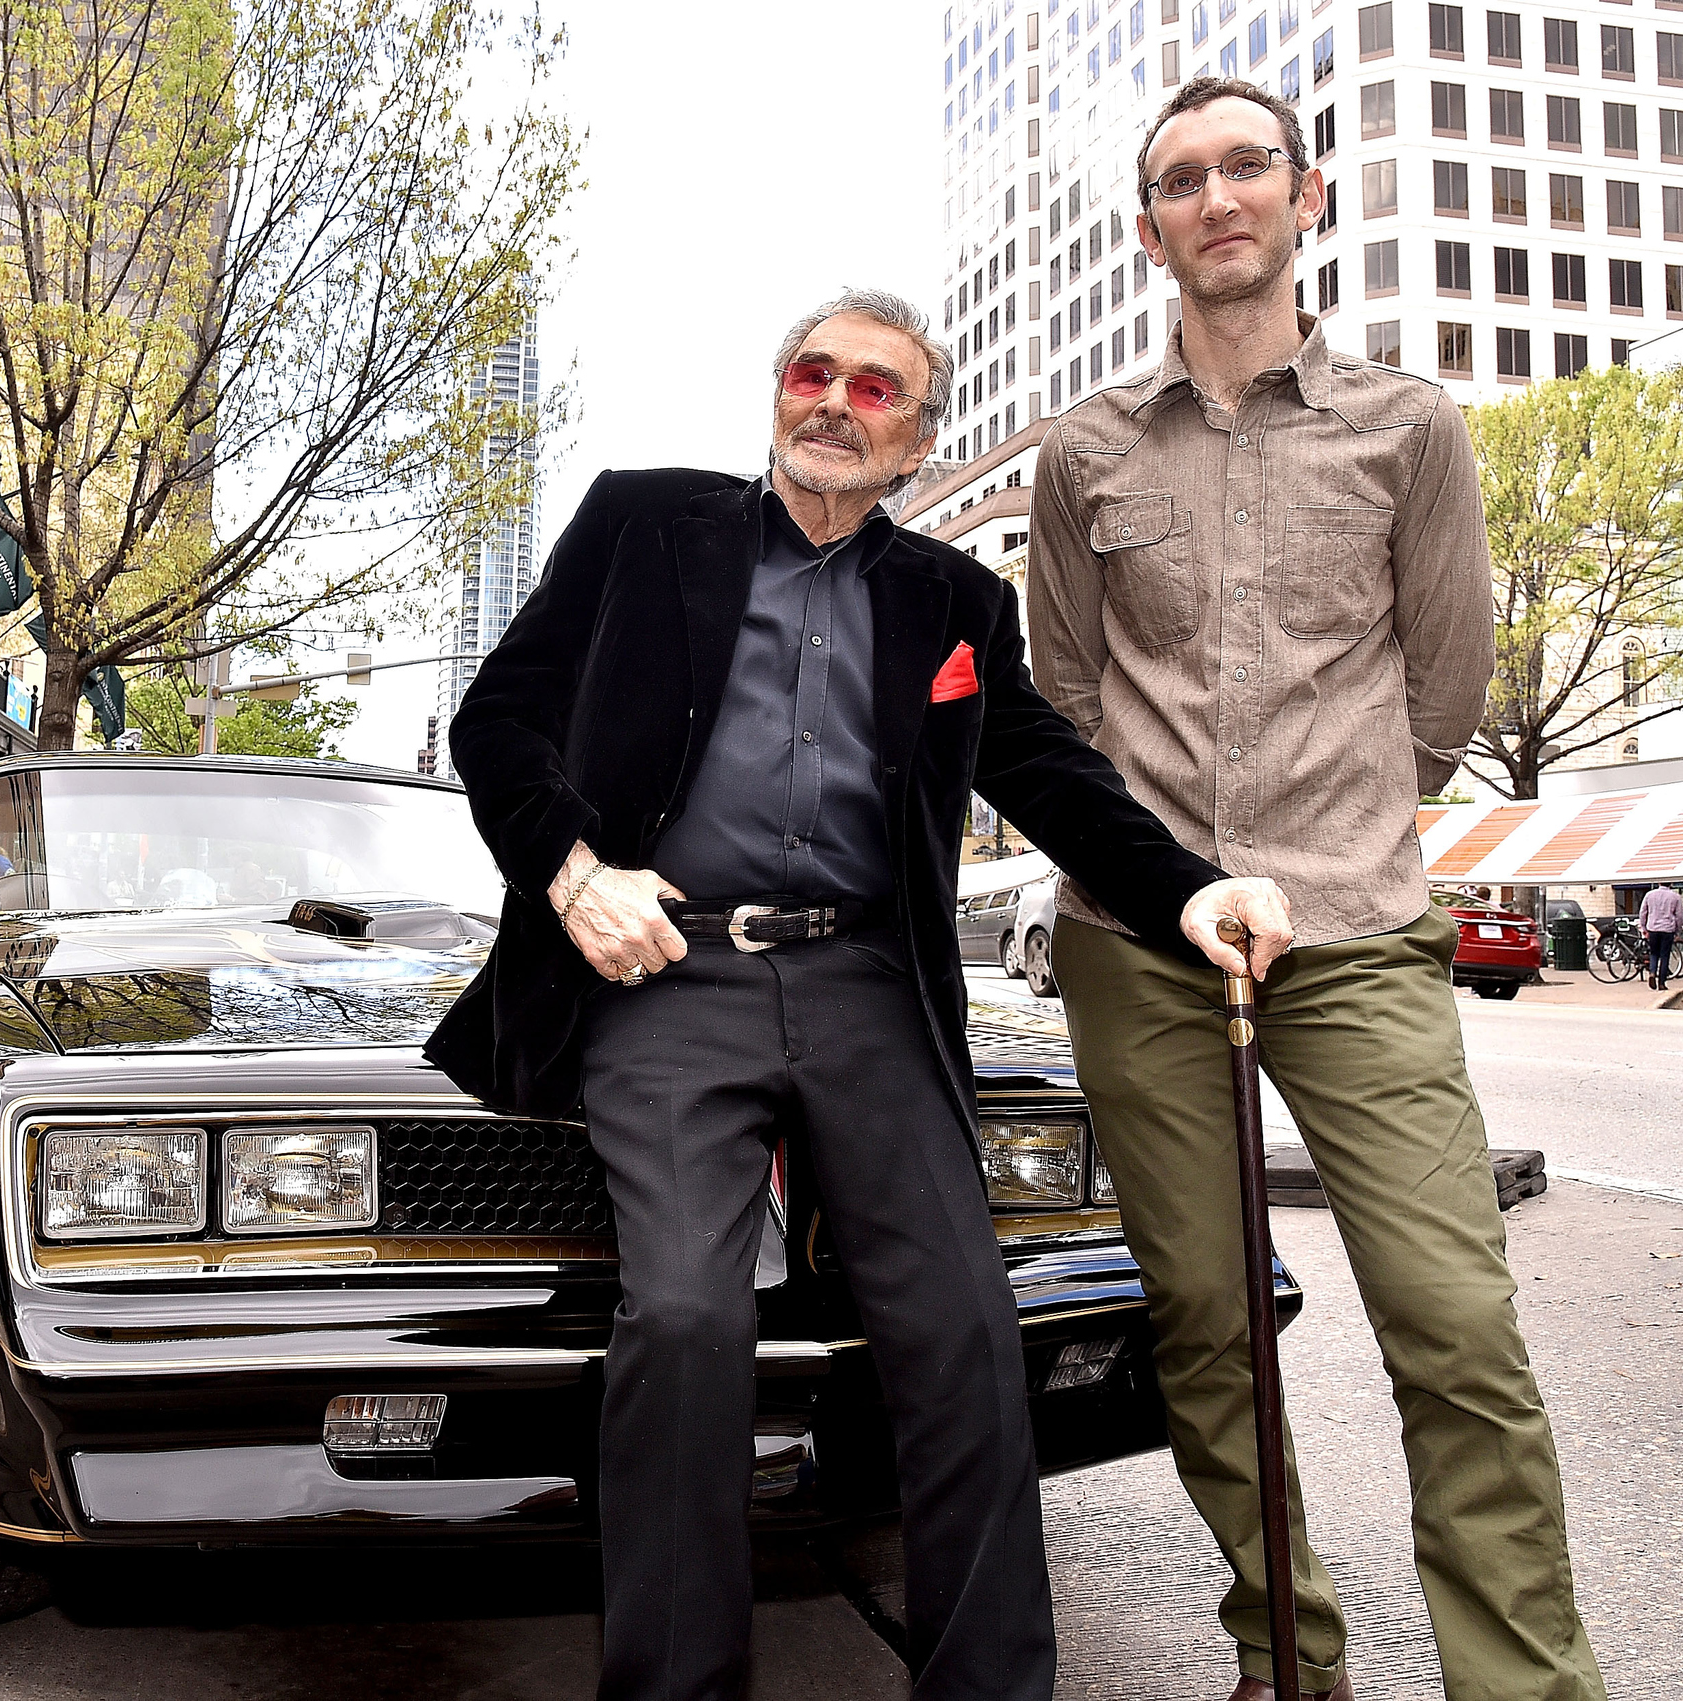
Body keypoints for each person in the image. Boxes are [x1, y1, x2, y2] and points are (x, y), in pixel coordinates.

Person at [426, 287, 1294, 1701]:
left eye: (874, 389)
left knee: (965, 1334)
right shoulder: (644, 523)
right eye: (811, 373)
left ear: (914, 440)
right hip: (668, 974)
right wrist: (577, 873)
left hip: (869, 987)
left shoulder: (953, 601)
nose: (833, 401)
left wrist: (1190, 889)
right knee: (688, 1325)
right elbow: (498, 719)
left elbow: (1051, 772)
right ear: (777, 394)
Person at [1026, 76, 1604, 1701]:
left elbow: (1442, 687)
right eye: (1180, 180)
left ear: (1304, 196)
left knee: (1453, 1326)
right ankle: (1287, 1656)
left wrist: (1328, 835)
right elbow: (1059, 702)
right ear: (1150, 230)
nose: (1216, 197)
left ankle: (1525, 1684)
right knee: (1205, 1331)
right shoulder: (1081, 456)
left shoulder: (1406, 429)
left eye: (1244, 168)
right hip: (1140, 949)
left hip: (1352, 935)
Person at [1640, 881, 1679, 991]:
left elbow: (1643, 912)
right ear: (1670, 883)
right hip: (1668, 929)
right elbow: (1679, 915)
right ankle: (1662, 983)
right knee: (1665, 956)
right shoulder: (1676, 897)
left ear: (1659, 882)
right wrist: (1677, 930)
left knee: (1654, 953)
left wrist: (1644, 928)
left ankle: (1652, 972)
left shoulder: (1649, 895)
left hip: (1653, 928)